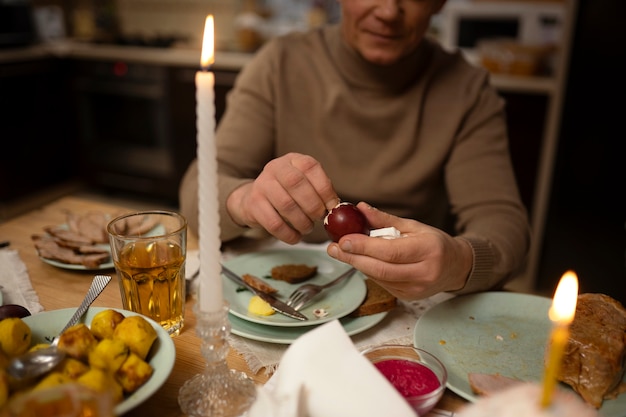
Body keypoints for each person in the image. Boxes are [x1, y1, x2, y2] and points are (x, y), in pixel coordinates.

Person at [179, 0, 531, 300]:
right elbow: (197, 189)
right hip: (290, 297)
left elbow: (505, 227)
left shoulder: (468, 91)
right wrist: (243, 199)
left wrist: (457, 261)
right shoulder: (280, 64)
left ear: (440, 4)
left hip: (409, 300)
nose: (389, 11)